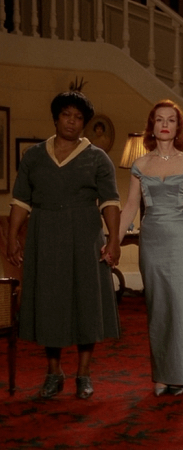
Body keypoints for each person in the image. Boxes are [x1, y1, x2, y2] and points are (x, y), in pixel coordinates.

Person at [6, 91, 121, 399]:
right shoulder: (33, 156)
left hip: (85, 232)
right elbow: (20, 201)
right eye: (67, 115)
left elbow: (110, 202)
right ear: (56, 118)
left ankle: (84, 374)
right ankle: (53, 372)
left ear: (84, 123)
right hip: (45, 232)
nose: (72, 122)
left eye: (79, 118)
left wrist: (114, 240)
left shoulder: (98, 157)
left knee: (86, 300)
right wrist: (12, 237)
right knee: (49, 303)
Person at [118, 100, 183, 396]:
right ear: (152, 126)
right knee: (157, 306)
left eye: (170, 120)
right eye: (159, 119)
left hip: (179, 238)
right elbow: (130, 207)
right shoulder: (140, 165)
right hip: (152, 239)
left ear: (177, 127)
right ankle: (162, 374)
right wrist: (112, 242)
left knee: (179, 304)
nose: (164, 124)